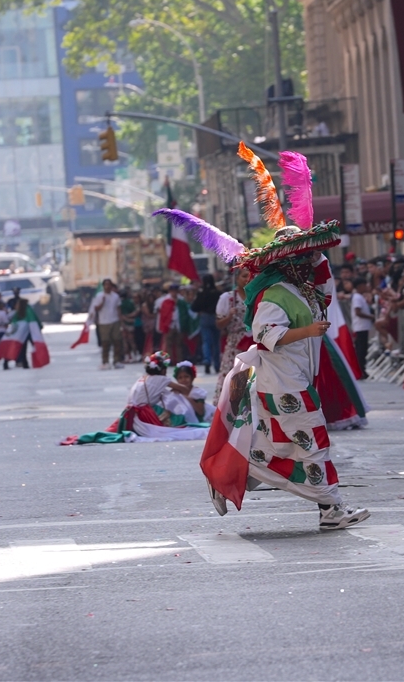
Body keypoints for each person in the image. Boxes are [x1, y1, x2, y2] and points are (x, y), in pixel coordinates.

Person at [157, 145, 369, 529]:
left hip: (298, 376)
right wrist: (306, 331)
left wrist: (317, 254)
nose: (309, 262)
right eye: (304, 257)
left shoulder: (304, 290)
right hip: (282, 380)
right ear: (289, 263)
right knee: (312, 444)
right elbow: (266, 334)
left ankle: (227, 475)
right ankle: (331, 509)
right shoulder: (274, 295)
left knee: (279, 449)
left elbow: (325, 285)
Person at [65, 352, 210, 445]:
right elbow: (184, 389)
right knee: (178, 422)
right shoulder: (161, 379)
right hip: (144, 414)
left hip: (128, 413)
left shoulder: (143, 378)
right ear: (163, 369)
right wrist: (177, 389)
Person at [214, 268, 253, 401]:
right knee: (233, 375)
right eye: (244, 276)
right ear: (237, 278)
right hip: (235, 343)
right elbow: (219, 324)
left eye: (250, 276)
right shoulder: (228, 298)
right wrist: (229, 316)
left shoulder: (256, 296)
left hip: (254, 342)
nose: (247, 279)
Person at [90, 278, 124, 370]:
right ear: (103, 286)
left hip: (114, 320)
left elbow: (118, 309)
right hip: (103, 322)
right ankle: (105, 361)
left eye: (109, 285)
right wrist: (102, 302)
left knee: (117, 341)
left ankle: (116, 361)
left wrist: (121, 321)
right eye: (106, 285)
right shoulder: (99, 296)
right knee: (105, 343)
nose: (107, 286)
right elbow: (96, 308)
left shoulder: (115, 296)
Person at [192, 274, 222, 374]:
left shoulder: (201, 293)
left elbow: (194, 307)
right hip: (215, 317)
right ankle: (217, 364)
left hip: (204, 317)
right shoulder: (217, 293)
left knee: (206, 341)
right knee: (216, 342)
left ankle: (207, 360)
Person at [350, 278, 374, 379]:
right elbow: (358, 312)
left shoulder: (360, 297)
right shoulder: (357, 298)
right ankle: (360, 371)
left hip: (363, 327)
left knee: (363, 350)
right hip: (360, 327)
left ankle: (362, 370)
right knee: (361, 350)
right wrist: (371, 317)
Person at [154, 283, 184, 363]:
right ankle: (169, 360)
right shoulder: (165, 301)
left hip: (178, 324)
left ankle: (179, 360)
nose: (174, 293)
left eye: (176, 291)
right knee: (168, 344)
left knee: (179, 344)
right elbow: (163, 314)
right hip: (169, 325)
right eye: (173, 291)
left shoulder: (181, 300)